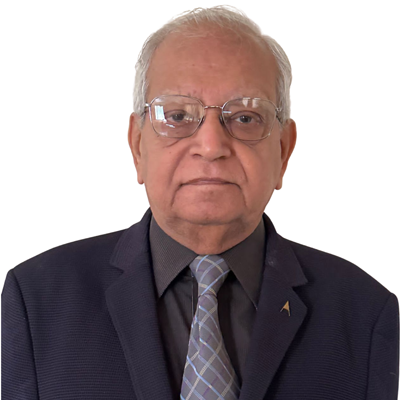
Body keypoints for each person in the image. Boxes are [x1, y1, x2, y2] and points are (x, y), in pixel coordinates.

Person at [2, 5, 399, 400]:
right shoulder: (35, 302)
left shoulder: (365, 314)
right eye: (177, 116)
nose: (210, 146)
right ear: (137, 146)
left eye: (245, 117)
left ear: (283, 151)